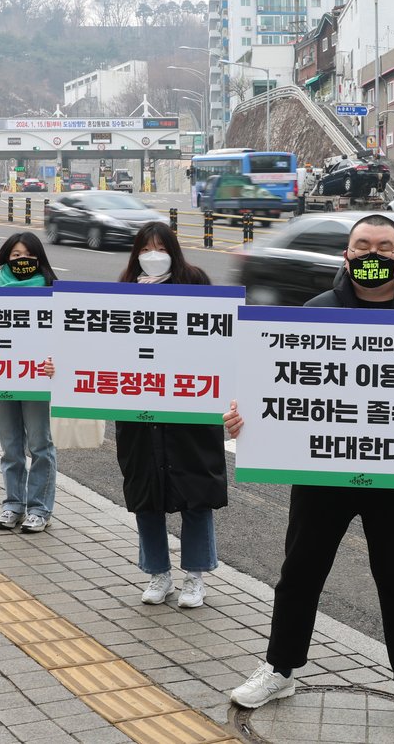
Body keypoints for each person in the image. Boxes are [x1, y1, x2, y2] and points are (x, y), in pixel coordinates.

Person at [225, 214, 394, 732]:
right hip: (323, 472)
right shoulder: (316, 313)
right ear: (346, 254)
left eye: (383, 245)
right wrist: (248, 421)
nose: (372, 253)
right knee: (300, 573)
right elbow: (281, 392)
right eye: (362, 245)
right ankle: (280, 669)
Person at [110, 223, 225, 609]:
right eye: (146, 247)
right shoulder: (123, 287)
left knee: (195, 493)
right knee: (147, 494)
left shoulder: (195, 281)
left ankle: (195, 576)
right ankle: (158, 574)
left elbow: (220, 339)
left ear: (173, 249)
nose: (153, 253)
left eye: (160, 247)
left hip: (188, 406)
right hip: (139, 408)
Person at [0, 233, 59, 533]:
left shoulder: (55, 292)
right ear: (6, 258)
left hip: (37, 377)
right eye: (15, 256)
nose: (21, 261)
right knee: (10, 444)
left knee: (40, 443)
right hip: (1, 374)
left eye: (28, 255)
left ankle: (40, 508)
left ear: (39, 260)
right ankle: (13, 504)